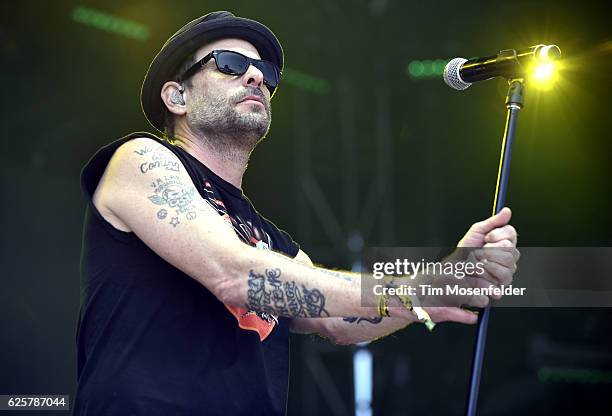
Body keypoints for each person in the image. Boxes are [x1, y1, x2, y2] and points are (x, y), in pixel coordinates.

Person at [73, 11, 519, 415]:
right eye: (229, 63)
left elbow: (340, 322)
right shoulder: (138, 159)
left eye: (264, 72)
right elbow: (234, 274)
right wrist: (414, 290)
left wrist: (445, 279)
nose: (254, 77)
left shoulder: (272, 242)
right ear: (177, 96)